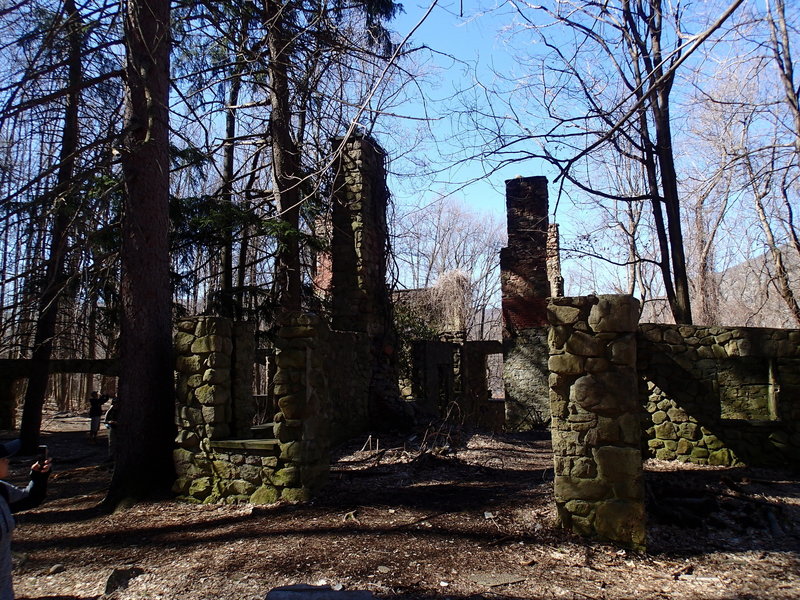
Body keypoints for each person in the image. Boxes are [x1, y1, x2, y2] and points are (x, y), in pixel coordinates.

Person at [0, 439, 51, 600]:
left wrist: (38, 477)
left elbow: (30, 498)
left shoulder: (1, 489)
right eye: (2, 459)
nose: (7, 461)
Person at [104, 396, 119, 461]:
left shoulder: (122, 410)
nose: (116, 404)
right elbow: (106, 420)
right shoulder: (110, 410)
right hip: (112, 428)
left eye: (117, 403)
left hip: (120, 428)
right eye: (115, 403)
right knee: (112, 443)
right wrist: (110, 422)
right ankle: (111, 456)